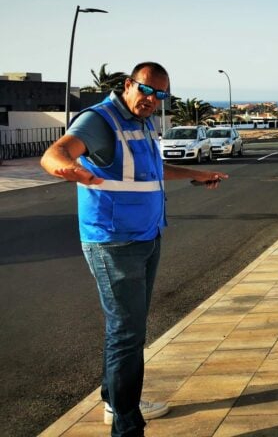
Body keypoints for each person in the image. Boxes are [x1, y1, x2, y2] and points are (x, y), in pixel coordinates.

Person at [41, 62, 227, 437]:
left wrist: (197, 173)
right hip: (113, 241)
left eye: (161, 95)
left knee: (128, 328)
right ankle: (126, 427)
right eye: (146, 90)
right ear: (129, 85)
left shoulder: (142, 122)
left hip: (146, 236)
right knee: (127, 332)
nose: (152, 100)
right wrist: (70, 169)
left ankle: (115, 399)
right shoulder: (100, 119)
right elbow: (56, 153)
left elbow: (152, 171)